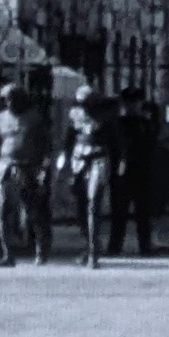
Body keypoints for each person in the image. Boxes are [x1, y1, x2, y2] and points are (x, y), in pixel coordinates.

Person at [0, 83, 51, 265]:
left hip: (28, 168)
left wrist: (44, 169)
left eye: (11, 99)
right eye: (6, 100)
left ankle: (40, 250)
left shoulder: (34, 118)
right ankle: (7, 254)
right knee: (3, 210)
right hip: (5, 167)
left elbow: (46, 145)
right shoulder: (0, 118)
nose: (8, 103)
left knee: (32, 211)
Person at [64, 85, 112, 271]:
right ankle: (88, 244)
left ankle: (94, 254)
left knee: (93, 204)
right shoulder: (74, 114)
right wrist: (64, 157)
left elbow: (115, 139)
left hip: (98, 160)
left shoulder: (105, 116)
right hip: (78, 161)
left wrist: (120, 160)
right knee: (81, 205)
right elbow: (69, 137)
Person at [112, 93, 161, 258]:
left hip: (141, 169)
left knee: (142, 211)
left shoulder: (144, 123)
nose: (131, 107)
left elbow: (153, 138)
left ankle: (144, 246)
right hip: (124, 170)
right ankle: (115, 245)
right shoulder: (119, 123)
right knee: (120, 210)